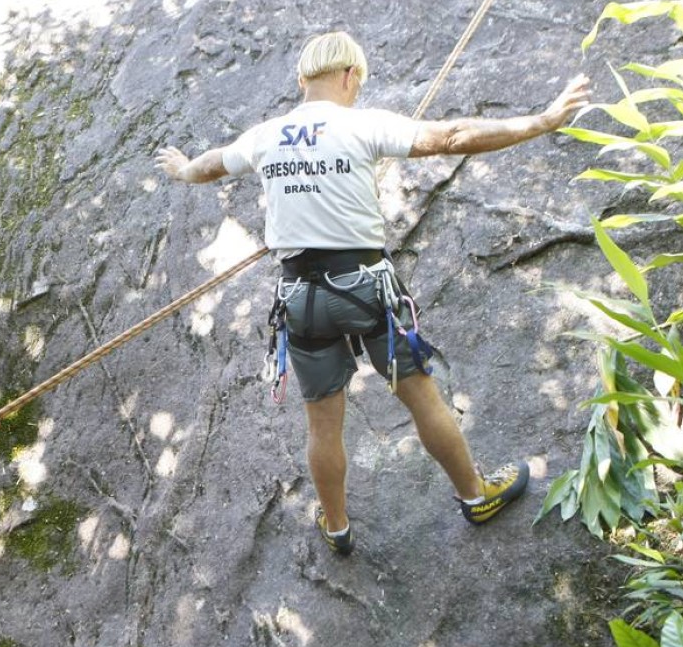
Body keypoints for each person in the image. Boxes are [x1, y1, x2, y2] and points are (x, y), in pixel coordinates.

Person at [155, 31, 590, 556]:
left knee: (322, 420)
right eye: (358, 81)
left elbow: (210, 165)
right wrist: (540, 122)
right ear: (349, 76)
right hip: (365, 289)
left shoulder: (265, 135)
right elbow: (453, 135)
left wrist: (181, 171)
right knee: (420, 395)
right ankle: (475, 496)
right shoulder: (362, 123)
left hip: (301, 299)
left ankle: (336, 527)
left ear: (302, 80)